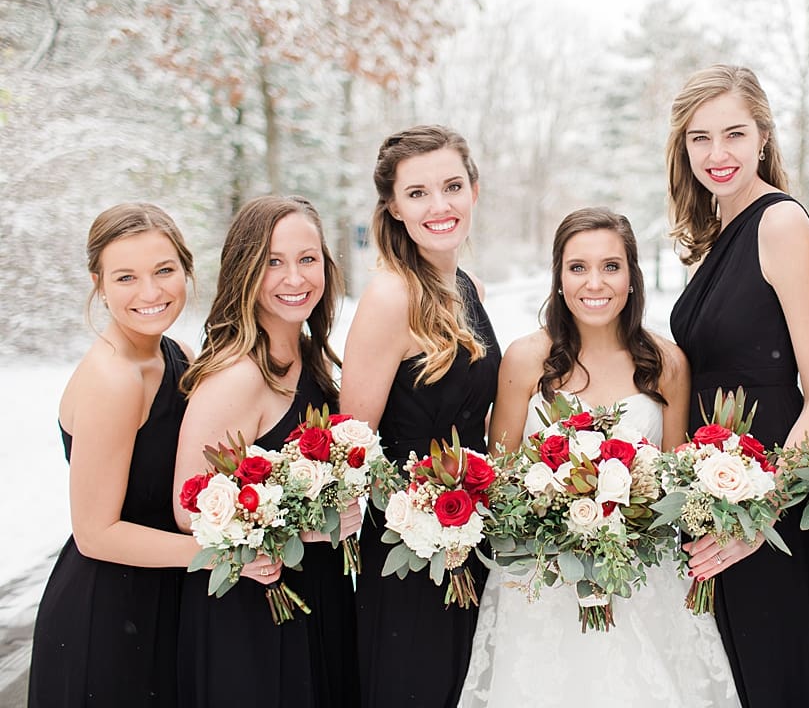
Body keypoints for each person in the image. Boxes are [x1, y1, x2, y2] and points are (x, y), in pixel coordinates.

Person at [459, 207, 740, 708]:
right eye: (577, 267)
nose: (595, 282)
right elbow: (499, 480)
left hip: (640, 577)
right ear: (559, 278)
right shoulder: (527, 358)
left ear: (632, 276)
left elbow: (676, 483)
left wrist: (625, 516)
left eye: (611, 266)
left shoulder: (667, 362)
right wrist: (559, 516)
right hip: (542, 584)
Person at [666, 64, 809, 707]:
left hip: (771, 510)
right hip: (715, 498)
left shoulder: (780, 224)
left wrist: (757, 515)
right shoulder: (715, 236)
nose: (718, 155)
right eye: (700, 139)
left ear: (764, 137)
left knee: (774, 682)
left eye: (735, 134)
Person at [172, 195, 360, 708]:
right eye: (273, 262)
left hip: (315, 594)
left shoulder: (307, 355)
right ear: (245, 270)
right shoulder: (236, 376)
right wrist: (299, 527)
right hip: (254, 610)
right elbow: (189, 509)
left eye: (307, 259)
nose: (295, 278)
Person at [340, 125, 500, 708]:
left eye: (452, 186)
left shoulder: (467, 287)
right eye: (418, 193)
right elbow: (351, 443)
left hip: (472, 530)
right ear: (393, 207)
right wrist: (422, 515)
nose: (440, 206)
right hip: (410, 544)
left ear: (474, 191)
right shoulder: (390, 296)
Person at [28, 204, 197, 707]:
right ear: (98, 283)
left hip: (163, 599)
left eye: (164, 270)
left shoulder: (177, 355)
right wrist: (222, 553)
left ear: (186, 269)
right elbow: (95, 533)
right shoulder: (113, 378)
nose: (151, 293)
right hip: (107, 614)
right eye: (126, 277)